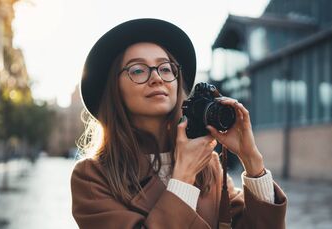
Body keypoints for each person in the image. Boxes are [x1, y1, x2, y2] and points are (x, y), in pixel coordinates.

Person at [70, 18, 287, 229]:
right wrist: (183, 176)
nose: (157, 78)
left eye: (165, 68)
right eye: (138, 70)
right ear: (114, 91)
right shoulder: (92, 176)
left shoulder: (208, 165)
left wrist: (252, 160)